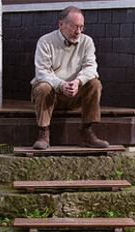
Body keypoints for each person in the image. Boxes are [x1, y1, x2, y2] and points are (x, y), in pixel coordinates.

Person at [30, 6, 109, 149]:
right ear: (61, 24)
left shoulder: (87, 42)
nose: (78, 31)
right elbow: (42, 72)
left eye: (81, 27)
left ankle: (87, 132)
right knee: (43, 86)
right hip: (52, 92)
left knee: (95, 84)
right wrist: (61, 85)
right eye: (74, 27)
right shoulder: (45, 41)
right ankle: (43, 133)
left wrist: (78, 82)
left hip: (75, 92)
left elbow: (91, 68)